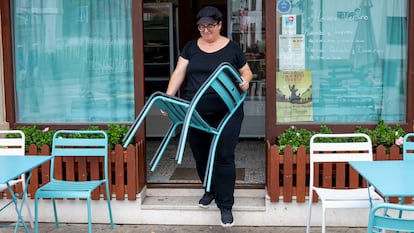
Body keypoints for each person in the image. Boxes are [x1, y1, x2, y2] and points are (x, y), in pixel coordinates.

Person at [161, 6, 252, 227]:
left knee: (223, 156)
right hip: (195, 111)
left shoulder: (232, 48)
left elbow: (246, 70)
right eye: (201, 26)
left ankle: (225, 206)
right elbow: (179, 73)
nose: (205, 30)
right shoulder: (190, 48)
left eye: (210, 25)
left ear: (219, 25)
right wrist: (168, 98)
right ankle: (209, 189)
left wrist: (246, 80)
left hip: (227, 112)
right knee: (201, 155)